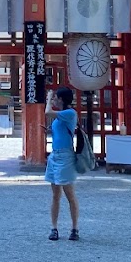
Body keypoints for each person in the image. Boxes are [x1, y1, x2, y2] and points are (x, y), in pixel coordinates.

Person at [43, 85, 80, 241]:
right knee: (55, 195)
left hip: (65, 156)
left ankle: (74, 228)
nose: (55, 100)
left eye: (57, 98)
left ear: (62, 99)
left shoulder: (70, 113)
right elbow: (58, 129)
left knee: (69, 194)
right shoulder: (62, 115)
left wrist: (48, 97)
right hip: (55, 155)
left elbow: (47, 112)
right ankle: (54, 227)